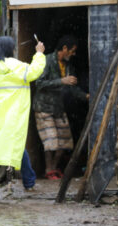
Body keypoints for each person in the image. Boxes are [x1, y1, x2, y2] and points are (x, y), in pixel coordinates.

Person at [0, 36, 45, 185]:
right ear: (11, 49)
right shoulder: (13, 65)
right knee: (16, 146)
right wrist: (39, 53)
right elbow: (33, 72)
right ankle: (29, 182)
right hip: (10, 117)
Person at [33, 35, 89, 179]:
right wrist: (61, 81)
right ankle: (48, 171)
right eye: (72, 51)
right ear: (64, 49)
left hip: (58, 108)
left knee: (65, 143)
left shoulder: (68, 66)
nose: (74, 54)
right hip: (43, 107)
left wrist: (85, 96)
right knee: (51, 142)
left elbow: (72, 88)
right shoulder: (46, 61)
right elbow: (39, 83)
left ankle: (54, 168)